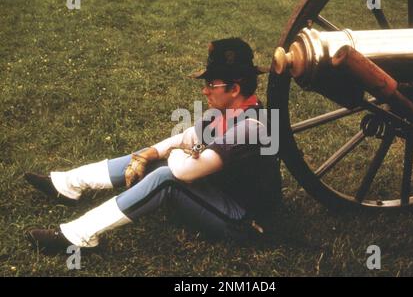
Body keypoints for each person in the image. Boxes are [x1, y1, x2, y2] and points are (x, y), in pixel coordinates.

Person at [25, 38, 282, 253]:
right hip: (219, 195)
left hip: (241, 223)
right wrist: (148, 154)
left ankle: (80, 235)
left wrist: (174, 156)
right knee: (154, 160)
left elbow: (183, 172)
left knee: (166, 177)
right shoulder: (230, 111)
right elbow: (188, 137)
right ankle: (69, 185)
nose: (204, 91)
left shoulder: (253, 126)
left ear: (234, 88)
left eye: (210, 84)